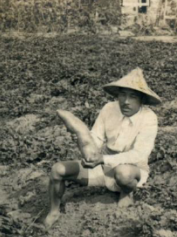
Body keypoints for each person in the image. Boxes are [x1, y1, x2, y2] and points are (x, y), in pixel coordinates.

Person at [45, 68, 161, 227]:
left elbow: (139, 154)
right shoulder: (109, 108)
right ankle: (53, 210)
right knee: (57, 170)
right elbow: (97, 137)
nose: (126, 101)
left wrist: (104, 158)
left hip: (133, 168)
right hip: (103, 166)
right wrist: (85, 143)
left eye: (132, 96)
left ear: (142, 100)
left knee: (123, 173)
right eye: (122, 95)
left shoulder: (149, 118)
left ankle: (126, 192)